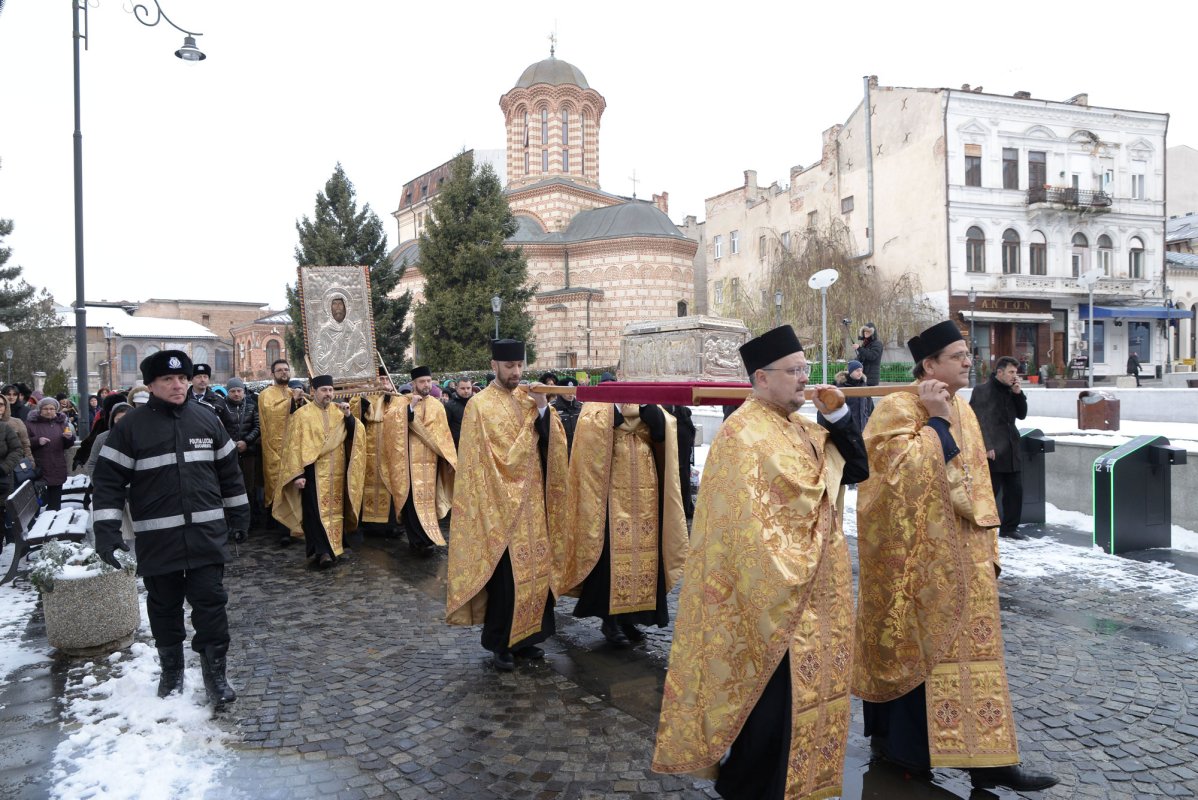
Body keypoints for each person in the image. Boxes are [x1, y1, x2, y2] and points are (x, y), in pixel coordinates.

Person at [653, 325, 869, 800]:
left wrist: (839, 417)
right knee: (768, 717)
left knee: (796, 712)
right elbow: (748, 529)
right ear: (760, 378)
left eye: (805, 370)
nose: (803, 380)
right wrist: (788, 577)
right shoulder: (742, 435)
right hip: (767, 602)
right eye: (793, 371)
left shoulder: (803, 427)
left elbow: (855, 470)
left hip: (812, 597)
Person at [852, 321, 1057, 793]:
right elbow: (890, 483)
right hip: (916, 567)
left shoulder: (963, 407)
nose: (969, 361)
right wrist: (937, 423)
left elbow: (977, 482)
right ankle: (903, 753)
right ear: (929, 365)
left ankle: (992, 762)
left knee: (978, 664)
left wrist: (989, 548)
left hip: (965, 559)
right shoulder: (895, 409)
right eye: (958, 355)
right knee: (921, 661)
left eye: (968, 354)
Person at [92, 350, 247, 706]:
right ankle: (172, 671)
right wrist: (108, 533)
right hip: (158, 539)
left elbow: (229, 473)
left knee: (211, 605)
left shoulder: (207, 419)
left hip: (206, 537)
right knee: (164, 608)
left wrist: (239, 516)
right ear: (151, 385)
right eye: (168, 380)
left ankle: (215, 675)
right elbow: (108, 483)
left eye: (182, 378)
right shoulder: (131, 427)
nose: (178, 385)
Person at [446, 339, 568, 672]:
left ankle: (527, 641)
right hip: (498, 508)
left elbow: (550, 445)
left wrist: (543, 409)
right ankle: (501, 645)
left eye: (519, 365)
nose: (516, 372)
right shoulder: (479, 406)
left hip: (532, 505)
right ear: (494, 365)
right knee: (507, 582)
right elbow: (477, 463)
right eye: (509, 366)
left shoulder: (530, 400)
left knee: (535, 575)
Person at [560, 398, 687, 648]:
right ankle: (611, 621)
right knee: (610, 557)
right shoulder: (599, 403)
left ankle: (632, 619)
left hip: (645, 493)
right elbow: (589, 434)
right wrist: (617, 412)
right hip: (611, 493)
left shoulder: (647, 402)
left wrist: (650, 412)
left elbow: (664, 433)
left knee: (645, 558)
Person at [273, 375, 364, 569]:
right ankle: (322, 551)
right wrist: (298, 475)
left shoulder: (339, 412)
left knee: (336, 512)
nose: (328, 394)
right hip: (313, 473)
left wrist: (349, 417)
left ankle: (335, 546)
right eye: (324, 390)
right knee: (315, 514)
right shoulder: (302, 414)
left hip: (337, 473)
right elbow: (293, 447)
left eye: (331, 390)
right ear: (314, 391)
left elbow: (355, 434)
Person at [383, 366, 457, 556]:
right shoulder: (402, 402)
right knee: (411, 502)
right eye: (422, 382)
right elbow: (390, 425)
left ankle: (427, 538)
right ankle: (417, 541)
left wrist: (448, 458)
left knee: (427, 501)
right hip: (407, 463)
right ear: (414, 384)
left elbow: (444, 435)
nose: (426, 385)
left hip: (430, 463)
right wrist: (410, 408)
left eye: (428, 381)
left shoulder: (437, 406)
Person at [970, 356, 1029, 540]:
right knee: (989, 491)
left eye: (1016, 372)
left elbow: (1022, 415)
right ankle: (980, 526)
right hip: (993, 449)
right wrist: (987, 445)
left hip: (1011, 447)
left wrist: (1018, 393)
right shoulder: (982, 390)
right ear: (1000, 372)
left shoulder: (1012, 391)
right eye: (1011, 372)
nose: (1015, 376)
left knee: (1015, 490)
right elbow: (978, 419)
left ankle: (1010, 529)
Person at [258, 360, 303, 545]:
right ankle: (282, 530)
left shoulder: (293, 392)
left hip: (294, 449)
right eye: (279, 370)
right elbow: (272, 413)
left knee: (295, 488)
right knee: (280, 487)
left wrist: (300, 401)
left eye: (286, 369)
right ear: (272, 373)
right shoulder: (266, 394)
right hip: (275, 450)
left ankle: (296, 527)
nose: (284, 373)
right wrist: (292, 401)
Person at [223, 378, 261, 531]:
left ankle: (249, 521)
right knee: (230, 488)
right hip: (228, 455)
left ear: (244, 392)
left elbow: (257, 427)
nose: (236, 394)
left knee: (248, 488)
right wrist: (230, 443)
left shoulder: (252, 406)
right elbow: (219, 428)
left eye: (239, 391)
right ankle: (231, 522)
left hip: (248, 454)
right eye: (233, 391)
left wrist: (246, 441)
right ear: (228, 392)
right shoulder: (222, 407)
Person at [25, 397, 76, 510]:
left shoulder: (61, 422)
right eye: (45, 408)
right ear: (40, 410)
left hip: (57, 464)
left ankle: (54, 517)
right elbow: (24, 442)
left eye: (52, 409)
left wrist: (69, 438)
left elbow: (68, 444)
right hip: (39, 466)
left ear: (56, 409)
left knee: (55, 503)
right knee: (39, 501)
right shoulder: (31, 423)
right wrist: (37, 441)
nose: (49, 411)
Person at [314, 293, 372, 376]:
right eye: (334, 304)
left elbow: (365, 352)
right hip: (331, 378)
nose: (338, 307)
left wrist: (351, 360)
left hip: (353, 378)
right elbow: (320, 362)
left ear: (345, 307)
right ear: (329, 308)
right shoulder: (324, 332)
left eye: (340, 304)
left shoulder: (353, 329)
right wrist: (331, 352)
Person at [836, 358, 874, 433]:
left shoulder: (864, 386)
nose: (860, 373)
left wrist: (870, 417)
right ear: (850, 371)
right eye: (857, 370)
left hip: (863, 425)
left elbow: (870, 404)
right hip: (848, 427)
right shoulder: (842, 387)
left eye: (861, 370)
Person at [551, 377, 583, 451]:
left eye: (572, 391)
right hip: (561, 449)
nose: (571, 394)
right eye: (567, 391)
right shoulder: (553, 408)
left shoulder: (581, 406)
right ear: (561, 391)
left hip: (578, 449)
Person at [0, 391, 32, 459]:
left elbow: (25, 445)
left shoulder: (17, 422)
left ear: (6, 406)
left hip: (12, 464)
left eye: (1, 404)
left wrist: (30, 463)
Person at [444, 377, 473, 448]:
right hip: (457, 445)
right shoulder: (449, 406)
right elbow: (445, 427)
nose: (466, 391)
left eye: (468, 388)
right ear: (457, 388)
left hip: (474, 444)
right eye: (463, 388)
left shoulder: (476, 403)